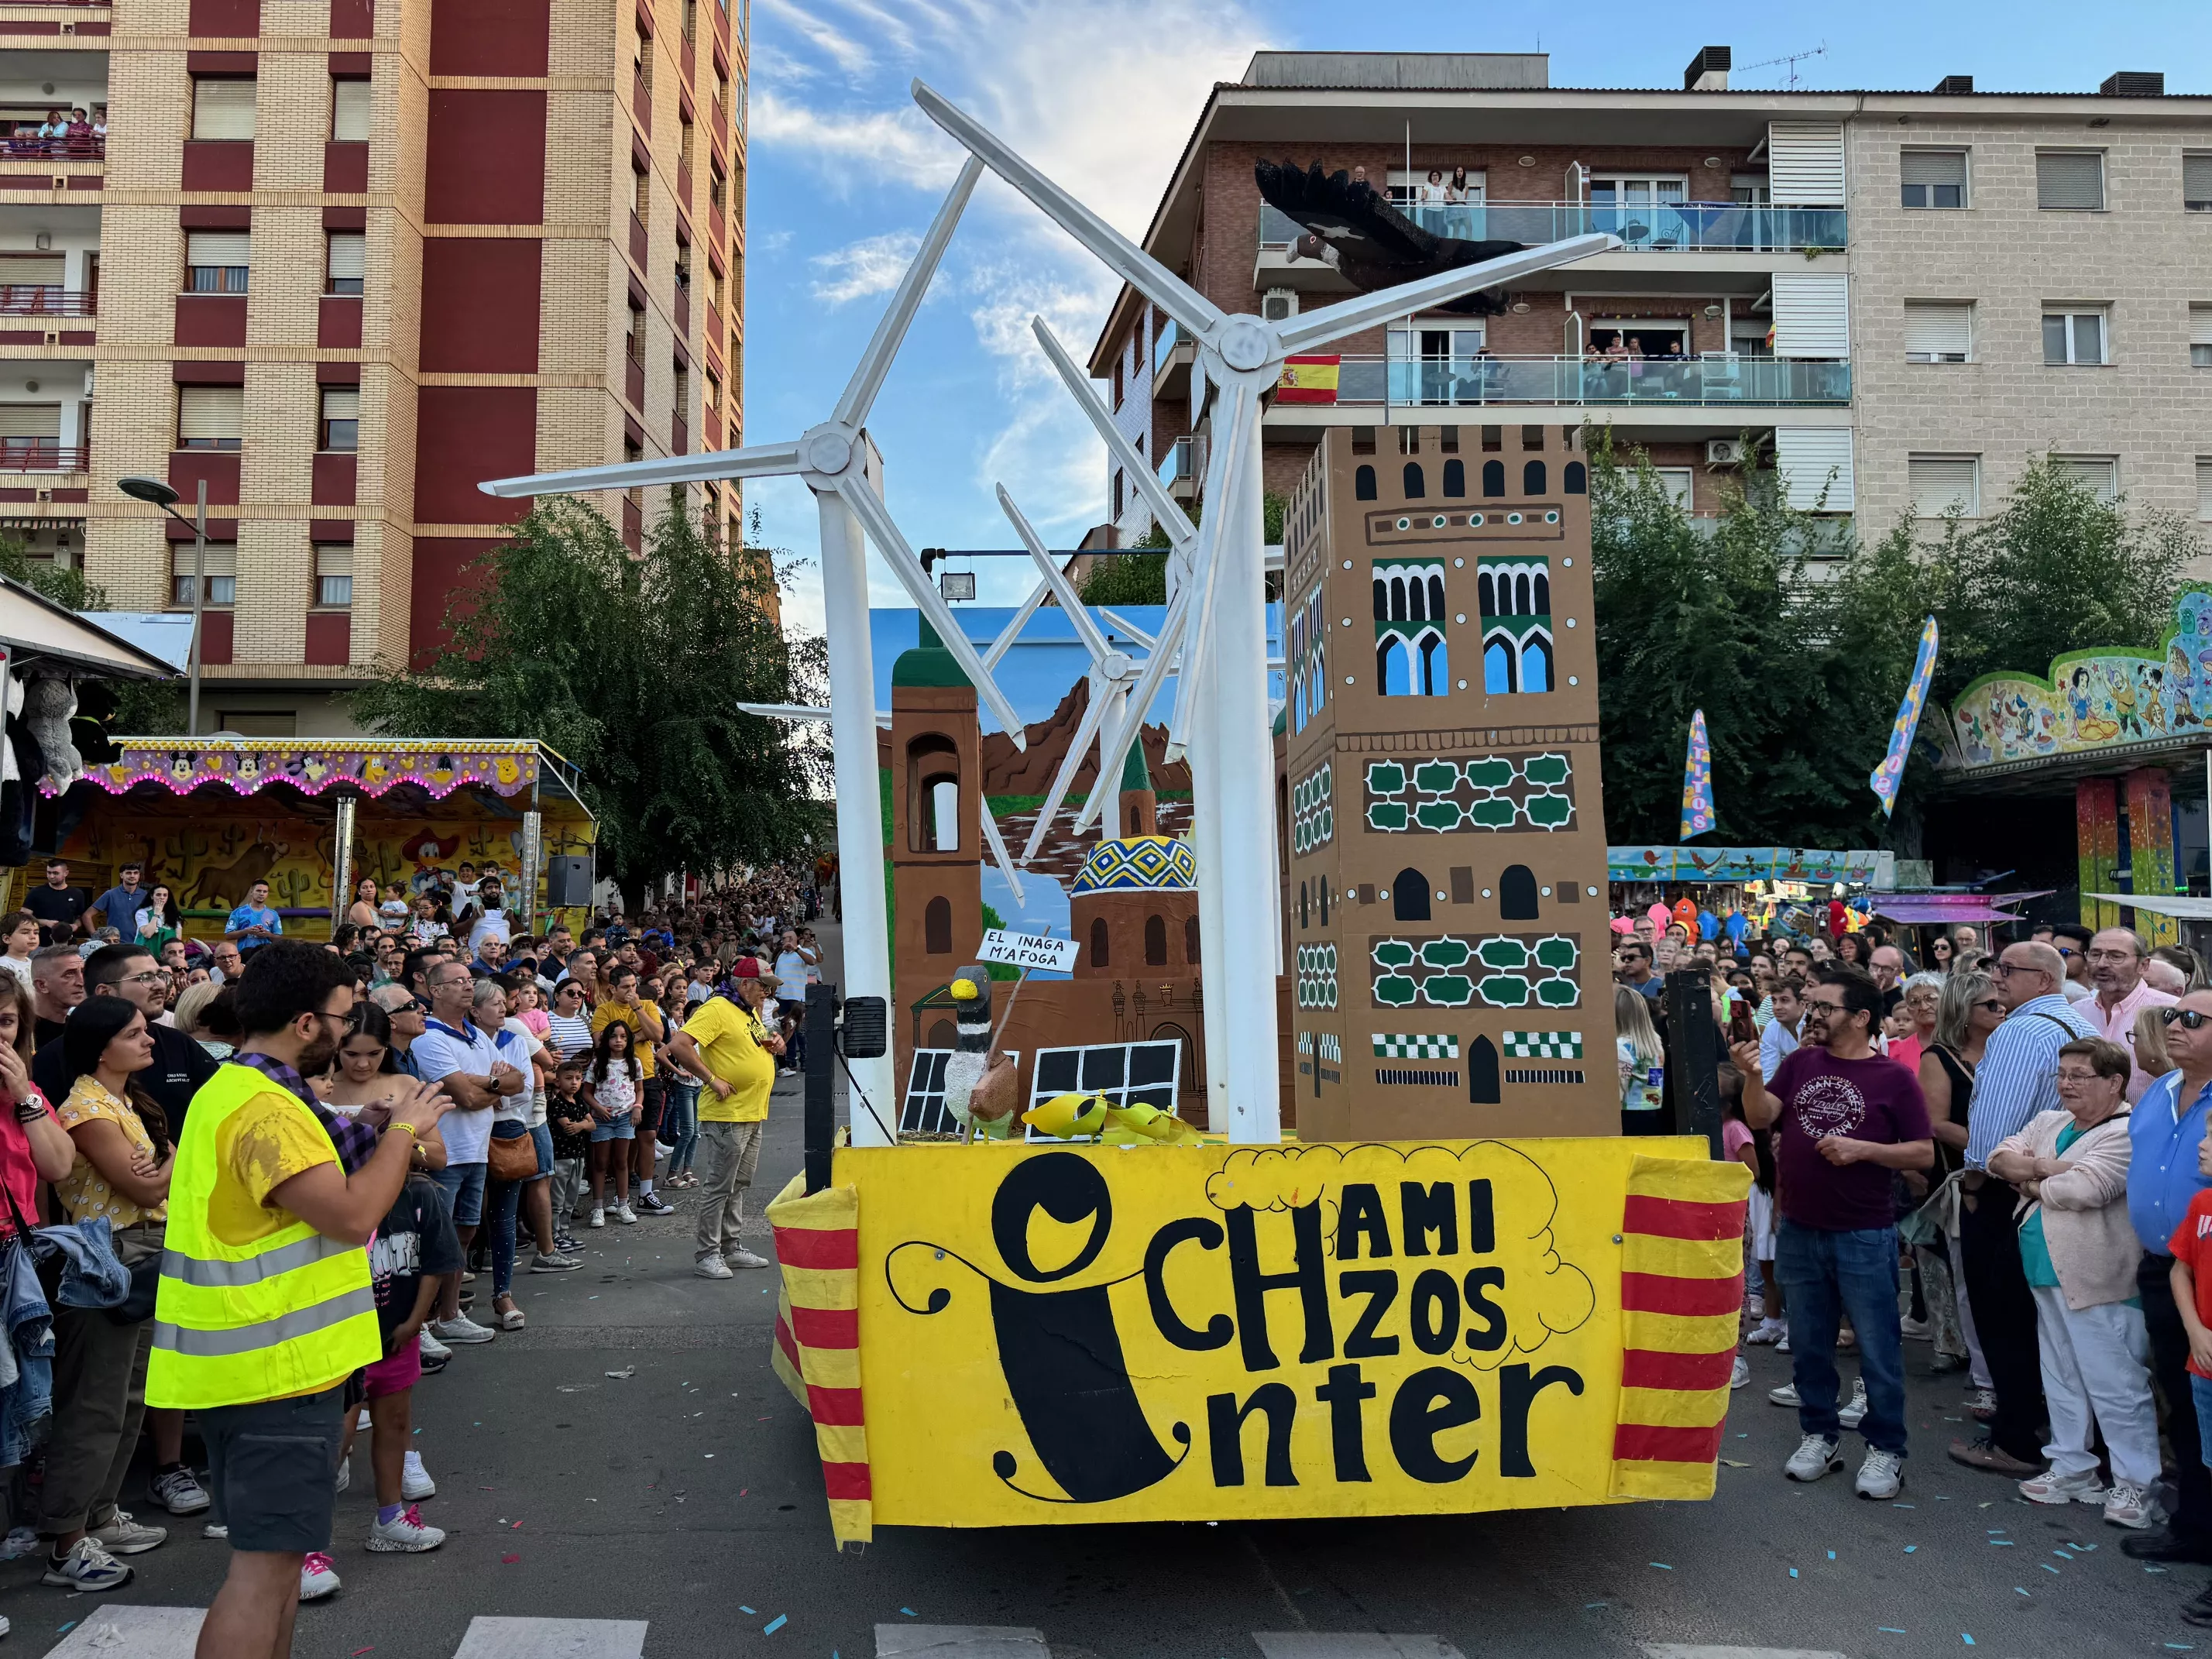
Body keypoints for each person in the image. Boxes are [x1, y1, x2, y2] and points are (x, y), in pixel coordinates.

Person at [147, 939, 454, 1659]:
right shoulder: (266, 1107)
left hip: (266, 1366)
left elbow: (321, 1151)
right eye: (344, 1019)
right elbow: (350, 1216)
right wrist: (407, 1131)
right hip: (272, 1370)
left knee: (280, 1570)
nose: (352, 1034)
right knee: (263, 1575)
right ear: (307, 1023)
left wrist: (381, 1123)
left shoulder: (245, 1091)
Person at [1733, 968, 1933, 1499]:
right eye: (1812, 1005)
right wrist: (1751, 1075)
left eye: (1824, 1007)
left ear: (1861, 1017)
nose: (1813, 1014)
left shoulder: (1894, 1079)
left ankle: (1886, 1448)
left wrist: (1863, 1150)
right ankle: (1819, 1436)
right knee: (1810, 1345)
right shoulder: (1800, 1063)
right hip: (1799, 1226)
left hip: (1864, 1232)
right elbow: (1763, 1117)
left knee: (1877, 1346)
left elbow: (1923, 1152)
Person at [1989, 1036, 2159, 1527]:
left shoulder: (2126, 1131)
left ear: (2114, 1083)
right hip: (2045, 1273)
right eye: (2062, 1075)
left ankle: (2136, 1485)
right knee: (2061, 1376)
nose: (2066, 1085)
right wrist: (2047, 1169)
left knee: (2117, 1385)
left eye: (2079, 1076)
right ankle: (2071, 1467)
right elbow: (1999, 1158)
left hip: (2101, 1276)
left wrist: (2031, 1175)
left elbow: (2089, 1188)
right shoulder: (2050, 1121)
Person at [40, 996, 173, 1590]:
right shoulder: (85, 1109)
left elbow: (154, 1179)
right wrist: (178, 1160)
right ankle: (67, 1539)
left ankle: (99, 1514)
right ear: (102, 1045)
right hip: (106, 1258)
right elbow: (141, 1189)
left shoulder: (122, 1101)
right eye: (135, 1033)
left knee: (130, 1396)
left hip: (143, 1252)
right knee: (95, 1400)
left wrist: (165, 1168)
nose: (149, 1040)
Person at [1952, 940, 2097, 1475]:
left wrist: (1972, 1182)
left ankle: (2016, 1436)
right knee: (2053, 1324)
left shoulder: (2019, 1031)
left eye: (2008, 970)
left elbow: (1994, 1128)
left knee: (2004, 1317)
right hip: (2062, 1187)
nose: (1997, 979)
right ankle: (2065, 1434)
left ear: (2044, 980)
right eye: (1996, 969)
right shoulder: (2083, 1025)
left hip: (2006, 1189)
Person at [320, 1001, 449, 1544]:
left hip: (398, 1232)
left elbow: (438, 1156)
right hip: (338, 1241)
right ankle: (311, 1534)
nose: (362, 1064)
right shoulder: (313, 1091)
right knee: (337, 1420)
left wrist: (398, 1140)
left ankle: (390, 1515)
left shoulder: (405, 1085)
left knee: (394, 1407)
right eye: (351, 1054)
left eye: (373, 1054)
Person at [2125, 989, 2212, 1580]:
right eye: (2172, 1016)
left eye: (2193, 1019)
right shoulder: (2158, 1089)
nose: (2174, 1026)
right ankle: (2195, 1526)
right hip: (2165, 1269)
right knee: (2184, 1406)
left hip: (2207, 1280)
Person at [410, 958, 523, 1347]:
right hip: (444, 1152)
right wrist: (491, 1084)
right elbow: (467, 1097)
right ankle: (421, 1322)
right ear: (436, 990)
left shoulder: (477, 1035)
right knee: (435, 1240)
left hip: (476, 1150)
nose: (467, 986)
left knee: (464, 1233)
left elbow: (518, 1081)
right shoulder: (430, 1038)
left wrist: (485, 1082)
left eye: (468, 980)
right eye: (456, 981)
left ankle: (450, 1314)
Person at [1916, 969, 2004, 1406]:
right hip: (1963, 1181)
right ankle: (1985, 1378)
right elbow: (1934, 1123)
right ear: (1964, 1013)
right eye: (1990, 1005)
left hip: (2012, 1177)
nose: (2001, 1009)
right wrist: (1994, 1148)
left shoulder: (2010, 1049)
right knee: (1971, 1283)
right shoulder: (1939, 1057)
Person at [668, 958, 780, 1279]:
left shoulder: (747, 1010)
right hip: (727, 1114)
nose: (767, 993)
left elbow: (751, 1047)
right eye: (764, 986)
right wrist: (711, 1078)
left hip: (749, 1111)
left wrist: (773, 1047)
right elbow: (679, 1044)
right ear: (744, 984)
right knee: (719, 1186)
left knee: (738, 1184)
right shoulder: (718, 1008)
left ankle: (730, 1247)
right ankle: (708, 1254)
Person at [592, 963, 671, 1215]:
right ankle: (619, 1197)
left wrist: (637, 1008)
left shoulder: (646, 1006)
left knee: (647, 1136)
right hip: (614, 1083)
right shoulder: (604, 1010)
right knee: (621, 1141)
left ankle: (646, 1194)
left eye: (634, 986)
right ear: (612, 988)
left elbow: (658, 1035)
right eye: (625, 987)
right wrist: (636, 1036)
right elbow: (602, 1043)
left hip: (645, 1077)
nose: (631, 991)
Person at [2086, 928, 2179, 1102]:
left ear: (2143, 965)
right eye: (2095, 954)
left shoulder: (2172, 1011)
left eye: (2116, 956)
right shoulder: (2076, 1011)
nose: (2102, 963)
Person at [582, 1019, 641, 1226]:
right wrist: (597, 1108)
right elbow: (587, 1092)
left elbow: (639, 1089)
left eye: (623, 1037)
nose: (618, 1041)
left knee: (622, 1162)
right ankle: (597, 1207)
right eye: (614, 1036)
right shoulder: (598, 1063)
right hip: (602, 1119)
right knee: (600, 1163)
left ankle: (623, 1205)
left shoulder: (634, 1062)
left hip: (625, 1117)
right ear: (607, 1039)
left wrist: (637, 1107)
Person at [547, 1060, 592, 1240]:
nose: (574, 1082)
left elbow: (593, 1125)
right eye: (569, 1078)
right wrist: (584, 1125)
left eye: (578, 1078)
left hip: (579, 1156)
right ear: (558, 1081)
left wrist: (581, 1125)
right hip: (561, 1157)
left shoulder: (579, 1102)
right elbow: (568, 1127)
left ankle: (565, 1231)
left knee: (571, 1199)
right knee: (557, 1200)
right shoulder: (557, 1104)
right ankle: (553, 1234)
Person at [1614, 984, 1663, 1123]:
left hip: (1627, 1113)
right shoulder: (1655, 1042)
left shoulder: (1620, 1047)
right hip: (1653, 1109)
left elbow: (1619, 1090)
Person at [29, 941, 83, 1049]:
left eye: (83, 972)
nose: (81, 982)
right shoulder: (20, 1033)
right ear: (42, 985)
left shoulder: (80, 1029)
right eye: (69, 974)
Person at [24, 858, 88, 945]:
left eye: (55, 873)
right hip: (41, 944)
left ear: (66, 873)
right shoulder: (36, 892)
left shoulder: (77, 894)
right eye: (49, 872)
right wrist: (45, 922)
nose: (51, 876)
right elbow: (24, 916)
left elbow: (80, 917)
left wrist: (75, 926)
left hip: (68, 944)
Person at [1891, 972, 1942, 1078]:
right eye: (1915, 1001)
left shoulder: (1963, 1042)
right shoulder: (1896, 1052)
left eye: (1930, 998)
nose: (1924, 1007)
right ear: (1908, 1009)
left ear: (1944, 1000)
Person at [1760, 974, 1806, 1078]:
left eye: (1784, 1000)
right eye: (1774, 1001)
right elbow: (1768, 1074)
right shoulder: (1772, 1027)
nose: (1777, 1007)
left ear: (1803, 1004)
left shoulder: (1816, 1023)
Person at [88, 863, 149, 940]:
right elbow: (87, 915)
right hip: (116, 944)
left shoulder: (146, 896)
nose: (132, 876)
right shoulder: (110, 894)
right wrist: (95, 938)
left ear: (139, 875)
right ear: (121, 875)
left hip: (140, 943)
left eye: (135, 873)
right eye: (128, 873)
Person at [225, 880, 283, 955]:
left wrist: (268, 934)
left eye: (265, 892)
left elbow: (279, 939)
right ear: (251, 892)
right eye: (259, 891)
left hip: (267, 955)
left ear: (267, 894)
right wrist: (246, 931)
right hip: (245, 954)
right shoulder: (238, 912)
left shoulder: (273, 914)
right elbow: (228, 936)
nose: (261, 894)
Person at [2050, 922, 2097, 1004]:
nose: (2056, 957)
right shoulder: (2040, 994)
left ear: (2088, 959)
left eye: (2064, 952)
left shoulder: (2104, 1000)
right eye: (2052, 951)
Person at [133, 884, 183, 958]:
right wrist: (156, 914)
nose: (162, 897)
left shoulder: (175, 915)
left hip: (167, 957)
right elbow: (148, 934)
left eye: (165, 895)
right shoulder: (142, 912)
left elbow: (178, 939)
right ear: (152, 896)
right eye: (158, 895)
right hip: (146, 955)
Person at [0, 910, 37, 991]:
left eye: (36, 933)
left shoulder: (30, 962)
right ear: (7, 939)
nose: (33, 937)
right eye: (25, 932)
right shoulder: (4, 966)